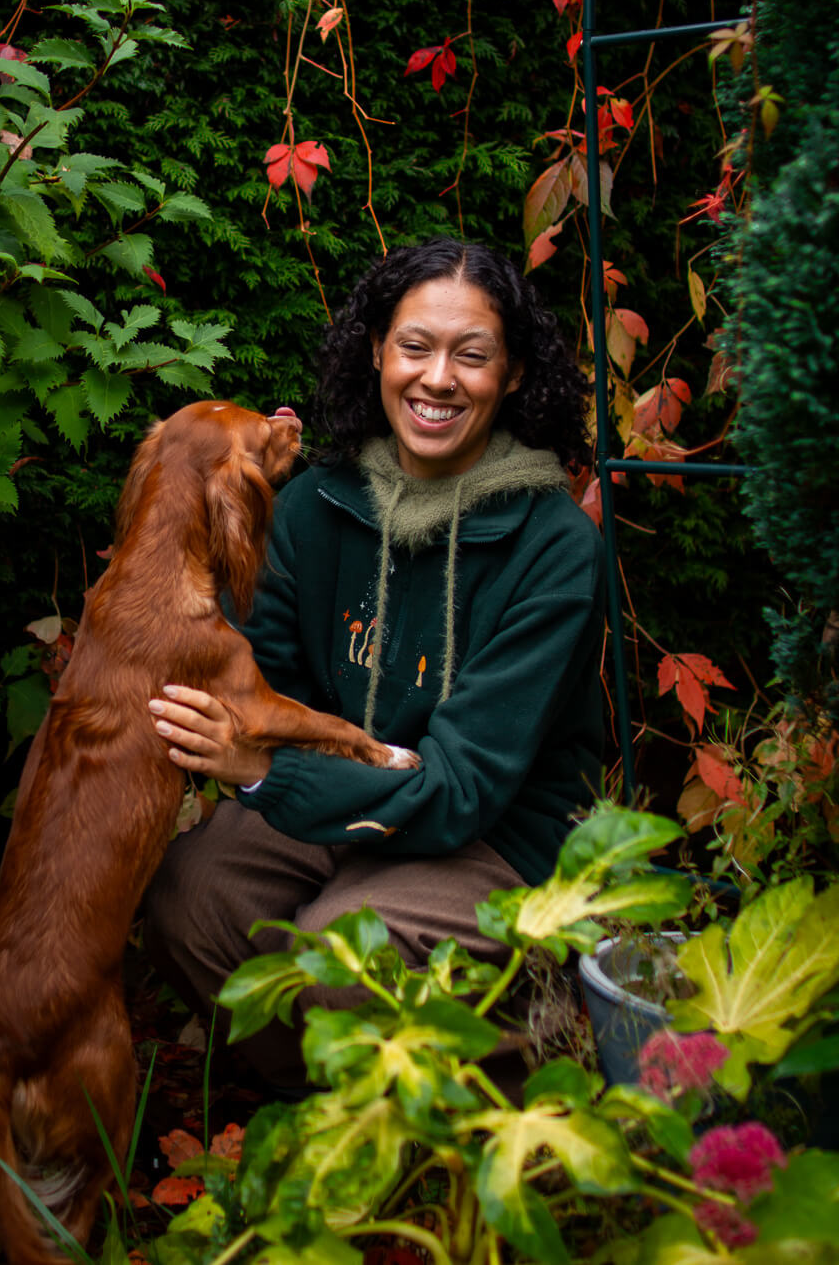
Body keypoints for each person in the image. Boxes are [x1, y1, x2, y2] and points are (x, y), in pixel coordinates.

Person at [142, 235, 605, 1090]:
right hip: (343, 802)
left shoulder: (556, 547)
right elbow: (267, 684)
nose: (438, 379)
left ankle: (520, 1058)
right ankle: (330, 1095)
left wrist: (261, 774)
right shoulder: (316, 505)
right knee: (189, 900)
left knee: (341, 957)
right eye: (415, 347)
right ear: (377, 353)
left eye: (472, 356)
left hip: (493, 835)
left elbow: (463, 788)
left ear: (510, 377)